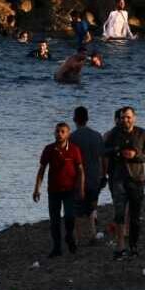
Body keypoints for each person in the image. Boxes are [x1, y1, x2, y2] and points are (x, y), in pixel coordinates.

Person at [103, 106, 145, 259]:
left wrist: (135, 155)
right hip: (117, 179)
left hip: (137, 180)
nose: (125, 120)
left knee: (135, 216)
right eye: (123, 117)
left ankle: (134, 246)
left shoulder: (142, 134)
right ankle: (120, 247)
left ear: (134, 118)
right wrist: (118, 151)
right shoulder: (113, 133)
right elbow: (103, 151)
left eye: (128, 117)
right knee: (119, 213)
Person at [33, 122, 85, 257]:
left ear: (68, 134)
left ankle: (69, 235)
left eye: (62, 131)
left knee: (69, 216)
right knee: (54, 220)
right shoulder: (49, 149)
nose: (59, 134)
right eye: (57, 131)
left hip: (70, 190)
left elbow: (80, 170)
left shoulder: (74, 149)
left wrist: (81, 188)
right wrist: (37, 188)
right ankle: (57, 248)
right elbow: (42, 170)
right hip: (54, 190)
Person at [69, 107, 105, 245]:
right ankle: (93, 234)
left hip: (79, 180)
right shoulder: (97, 135)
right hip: (95, 178)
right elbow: (102, 158)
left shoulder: (72, 138)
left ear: (74, 119)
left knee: (77, 210)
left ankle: (77, 239)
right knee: (91, 207)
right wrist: (103, 175)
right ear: (87, 119)